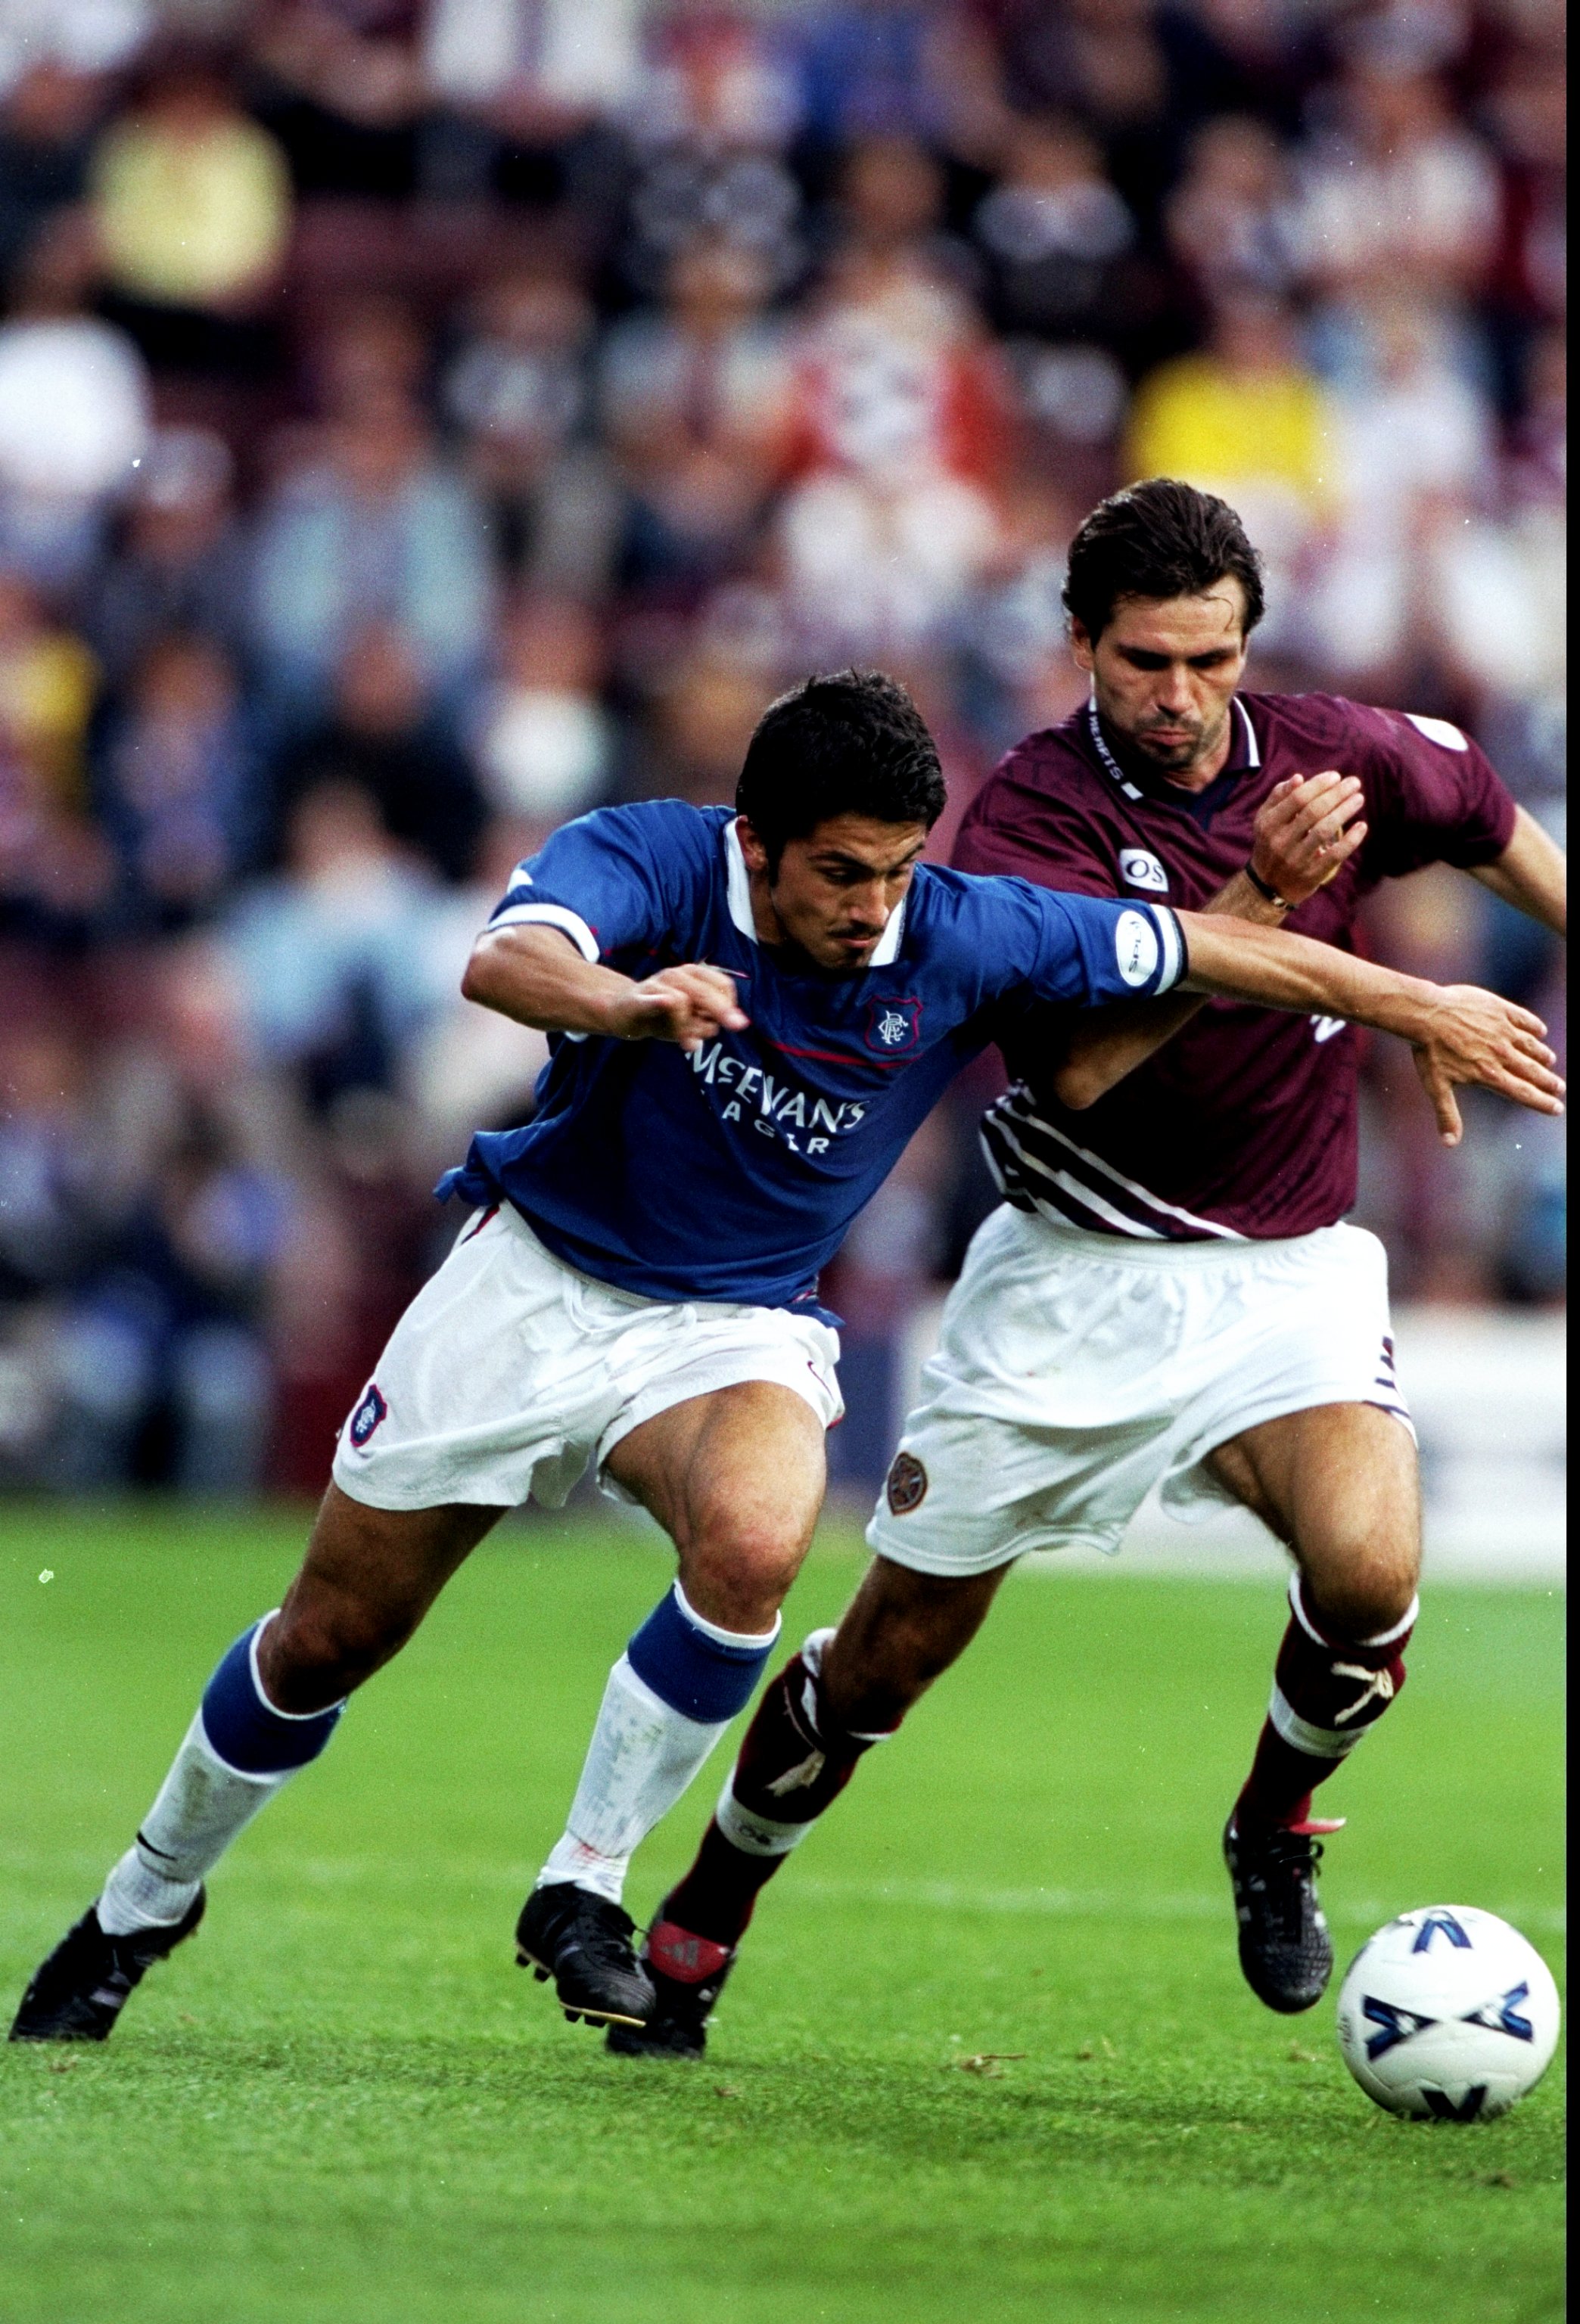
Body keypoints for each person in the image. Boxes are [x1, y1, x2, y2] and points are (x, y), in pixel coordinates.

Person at [11, 666, 1559, 2046]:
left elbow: (1216, 958)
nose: (871, 907)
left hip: (737, 1321)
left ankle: (585, 1888)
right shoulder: (657, 857)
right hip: (538, 1283)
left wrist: (1417, 1001)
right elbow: (506, 961)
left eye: (893, 870)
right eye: (839, 874)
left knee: (759, 1537)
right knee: (328, 1639)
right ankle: (146, 1898)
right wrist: (629, 1001)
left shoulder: (958, 927)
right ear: (756, 843)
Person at [617, 481, 1569, 2060]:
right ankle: (702, 1918)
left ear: (1248, 643)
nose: (1181, 697)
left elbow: (1480, 811)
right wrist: (1261, 892)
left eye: (1211, 659)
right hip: (1072, 1279)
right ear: (1083, 647)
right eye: (1145, 661)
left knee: (1368, 1571)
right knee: (883, 1664)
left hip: (1288, 1275)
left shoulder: (1339, 751)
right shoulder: (1029, 825)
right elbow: (1078, 1075)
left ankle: (1277, 1826)